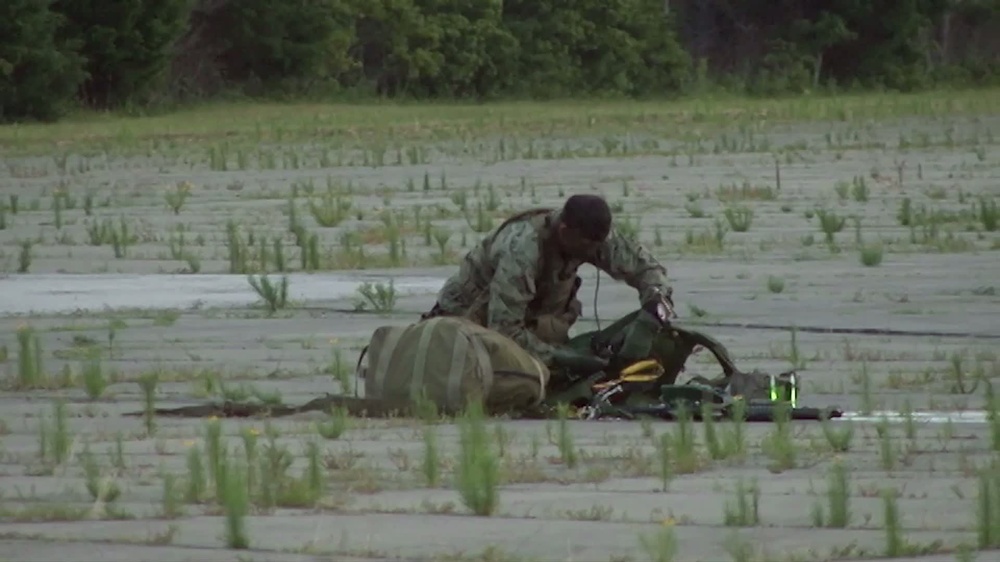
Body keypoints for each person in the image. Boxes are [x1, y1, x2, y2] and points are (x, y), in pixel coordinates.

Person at [421, 193, 674, 377]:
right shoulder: (522, 249)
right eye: (588, 247)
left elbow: (648, 270)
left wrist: (653, 309)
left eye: (598, 246)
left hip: (529, 325)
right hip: (467, 331)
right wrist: (559, 358)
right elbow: (503, 331)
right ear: (565, 231)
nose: (595, 253)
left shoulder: (591, 237)